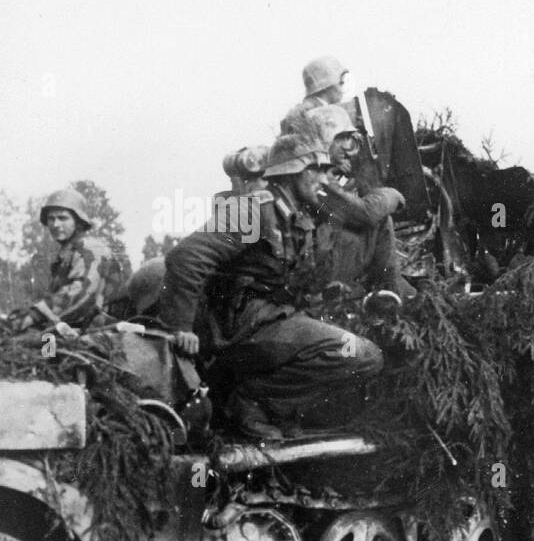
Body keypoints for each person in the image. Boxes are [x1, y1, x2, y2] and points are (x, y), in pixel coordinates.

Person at [158, 134, 398, 439]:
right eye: (317, 169)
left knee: (361, 351)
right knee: (357, 353)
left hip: (270, 320)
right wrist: (180, 326)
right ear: (292, 171)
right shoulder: (254, 211)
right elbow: (187, 257)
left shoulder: (298, 217)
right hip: (240, 326)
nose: (325, 178)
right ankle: (252, 403)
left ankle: (269, 405)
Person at [11, 189, 120, 332]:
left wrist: (34, 315)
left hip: (99, 331)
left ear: (78, 221)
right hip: (75, 329)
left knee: (40, 349)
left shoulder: (90, 249)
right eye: (51, 219)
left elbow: (81, 293)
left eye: (63, 218)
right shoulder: (67, 255)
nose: (55, 224)